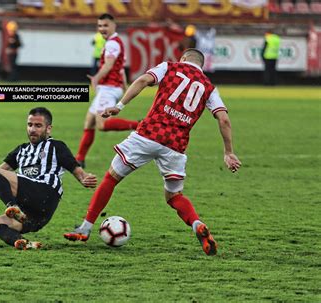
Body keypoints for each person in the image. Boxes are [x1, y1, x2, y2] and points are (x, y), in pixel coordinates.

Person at [64, 49, 242, 256]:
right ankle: (197, 224)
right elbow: (224, 119)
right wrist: (228, 152)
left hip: (148, 134)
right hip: (175, 145)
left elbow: (142, 81)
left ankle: (85, 228)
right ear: (200, 66)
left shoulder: (170, 67)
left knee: (111, 178)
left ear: (183, 59)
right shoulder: (209, 87)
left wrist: (119, 106)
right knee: (174, 196)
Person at [0, 107, 97, 250]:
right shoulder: (21, 151)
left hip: (46, 193)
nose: (32, 129)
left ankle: (12, 207)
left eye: (38, 125)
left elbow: (77, 170)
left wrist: (84, 179)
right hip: (36, 215)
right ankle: (25, 243)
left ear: (48, 129)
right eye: (30, 125)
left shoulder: (56, 146)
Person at [75, 13, 139, 168]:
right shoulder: (115, 42)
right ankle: (79, 159)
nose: (102, 28)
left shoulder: (112, 44)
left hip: (108, 88)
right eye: (100, 26)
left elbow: (109, 65)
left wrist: (96, 78)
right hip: (111, 88)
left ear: (113, 25)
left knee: (102, 124)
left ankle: (138, 125)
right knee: (89, 122)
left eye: (105, 25)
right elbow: (120, 68)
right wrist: (124, 87)